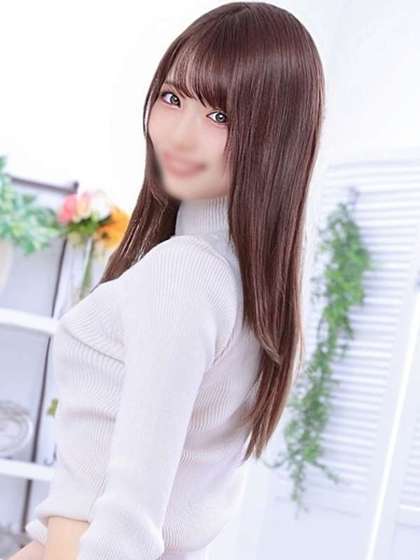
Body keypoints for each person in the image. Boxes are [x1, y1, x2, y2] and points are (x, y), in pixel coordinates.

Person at [9, 2, 325, 559]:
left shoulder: (187, 272)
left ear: (277, 137)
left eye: (220, 116)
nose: (179, 135)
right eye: (173, 98)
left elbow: (125, 527)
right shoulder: (252, 284)